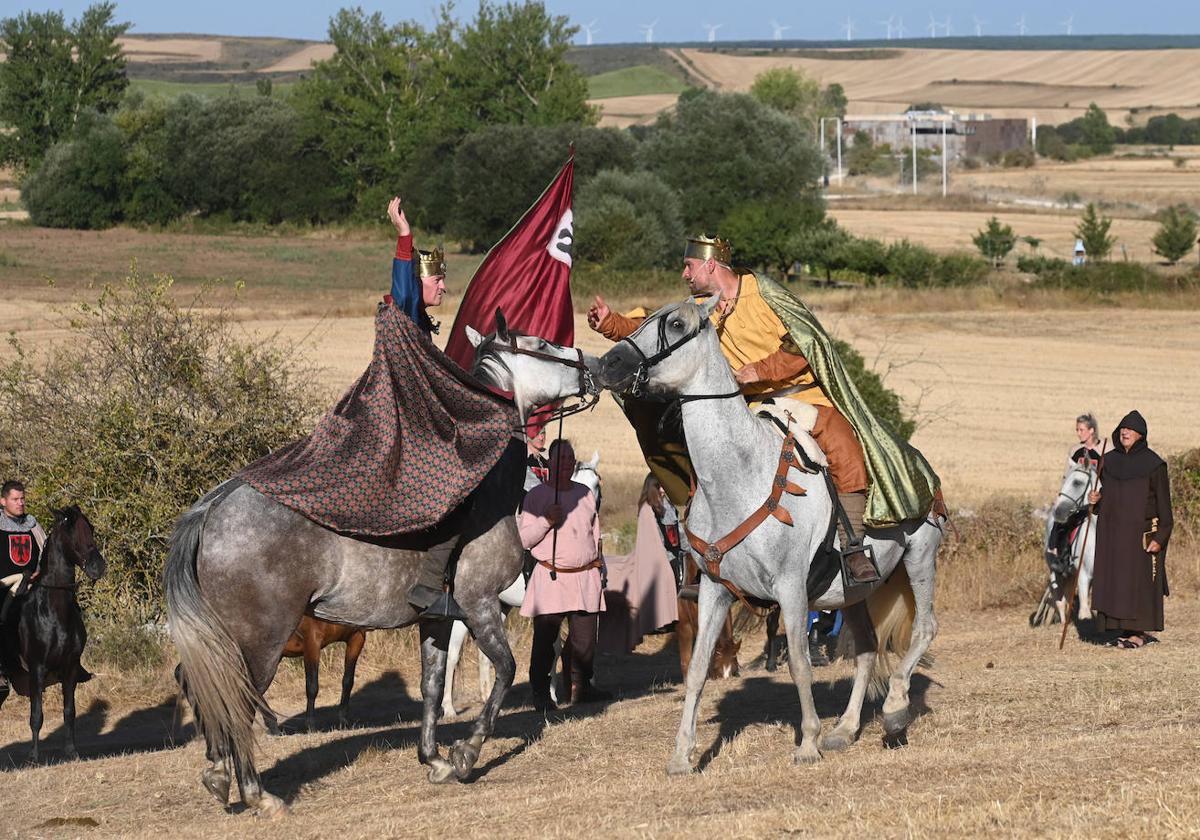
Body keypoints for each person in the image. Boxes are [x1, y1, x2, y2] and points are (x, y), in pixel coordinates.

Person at [587, 234, 942, 586]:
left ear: (711, 264)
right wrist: (611, 323)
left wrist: (760, 370)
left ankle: (852, 545)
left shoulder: (766, 294)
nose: (684, 274)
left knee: (842, 442)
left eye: (689, 266)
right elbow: (656, 328)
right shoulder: (700, 304)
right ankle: (705, 546)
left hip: (801, 397)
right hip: (746, 406)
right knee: (699, 447)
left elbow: (806, 342)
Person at [519, 439, 609, 710]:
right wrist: (546, 520)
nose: (566, 465)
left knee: (585, 641)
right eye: (561, 460)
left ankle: (580, 688)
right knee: (545, 642)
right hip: (552, 578)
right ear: (551, 464)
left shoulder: (586, 494)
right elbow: (524, 539)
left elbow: (595, 534)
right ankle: (540, 694)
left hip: (585, 576)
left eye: (570, 460)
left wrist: (599, 565)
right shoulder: (536, 497)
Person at [1088, 410, 1172, 649]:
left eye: (1130, 429)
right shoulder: (1109, 461)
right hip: (1113, 534)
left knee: (1139, 583)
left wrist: (1161, 536)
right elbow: (1109, 501)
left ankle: (1138, 633)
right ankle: (1122, 631)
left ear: (1141, 435)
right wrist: (1096, 501)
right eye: (1122, 428)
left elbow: (1165, 507)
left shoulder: (1154, 465)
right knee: (1117, 581)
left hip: (1142, 535)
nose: (1125, 432)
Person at [598, 474, 680, 654]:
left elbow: (674, 531)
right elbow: (653, 540)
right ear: (652, 487)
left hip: (671, 552)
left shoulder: (665, 505)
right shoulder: (647, 509)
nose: (663, 490)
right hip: (659, 556)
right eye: (660, 487)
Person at [1, 480, 47, 691]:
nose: (20, 503)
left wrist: (39, 572)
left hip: (32, 584)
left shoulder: (33, 524)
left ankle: (66, 662)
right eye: (15, 499)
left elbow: (45, 552)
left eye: (22, 499)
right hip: (3, 588)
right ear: (3, 501)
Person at [1046, 412, 1104, 568]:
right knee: (1062, 520)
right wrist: (1060, 497)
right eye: (1077, 430)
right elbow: (1067, 477)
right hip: (1077, 502)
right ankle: (1060, 557)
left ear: (1091, 430)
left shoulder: (1104, 450)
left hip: (1099, 500)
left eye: (1081, 430)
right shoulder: (1075, 451)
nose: (1078, 433)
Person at [524, 420, 550, 491]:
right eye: (538, 433)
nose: (542, 437)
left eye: (543, 433)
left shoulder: (550, 457)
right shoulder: (521, 457)